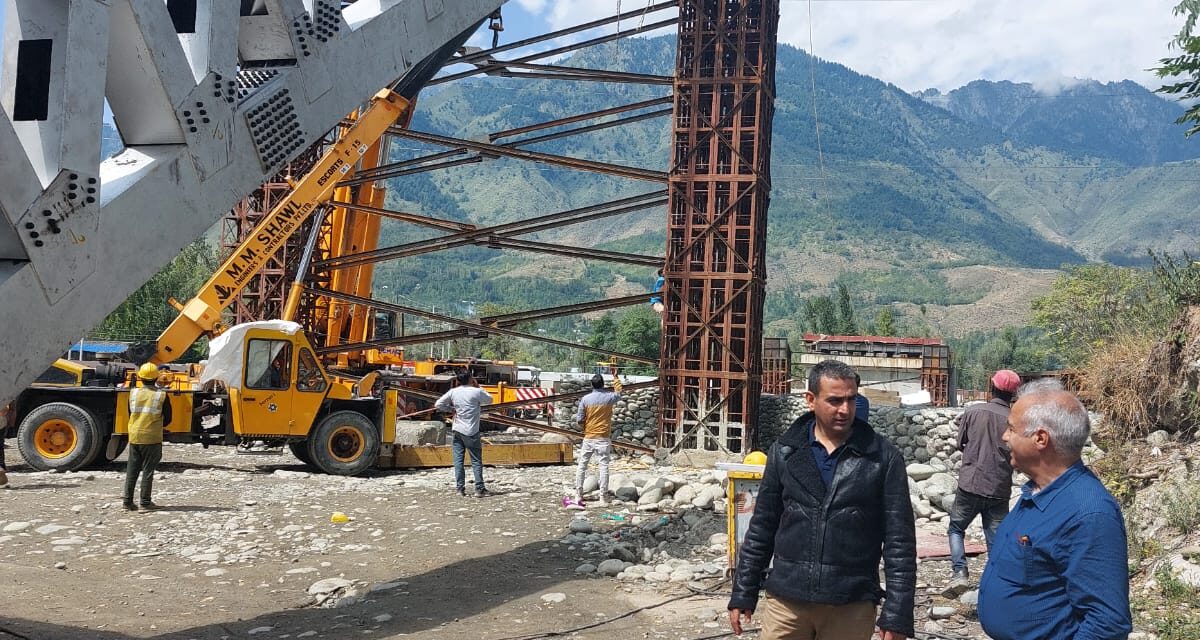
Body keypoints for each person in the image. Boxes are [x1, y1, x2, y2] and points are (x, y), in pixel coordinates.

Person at [728, 359, 915, 640]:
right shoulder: (785, 452)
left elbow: (899, 541)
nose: (845, 410)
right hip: (787, 603)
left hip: (850, 604)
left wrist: (898, 613)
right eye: (835, 400)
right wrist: (744, 591)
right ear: (810, 400)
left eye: (851, 400)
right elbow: (762, 526)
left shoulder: (882, 458)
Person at [978, 384, 1132, 639]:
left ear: (1040, 439)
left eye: (1012, 429)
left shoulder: (1088, 514)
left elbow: (1107, 624)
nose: (1005, 436)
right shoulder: (1037, 491)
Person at [947, 369, 1020, 583]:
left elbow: (961, 444)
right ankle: (996, 581)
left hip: (970, 484)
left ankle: (960, 572)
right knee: (996, 540)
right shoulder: (1015, 419)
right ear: (1014, 395)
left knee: (956, 528)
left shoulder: (973, 411)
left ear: (992, 387)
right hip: (999, 488)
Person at [435, 370, 494, 497]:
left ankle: (460, 489)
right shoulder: (476, 392)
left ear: (458, 380)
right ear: (470, 379)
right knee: (476, 460)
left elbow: (438, 404)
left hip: (457, 430)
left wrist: (451, 409)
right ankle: (479, 488)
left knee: (458, 461)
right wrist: (479, 386)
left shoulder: (453, 392)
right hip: (471, 431)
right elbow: (490, 400)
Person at [124, 362, 172, 511]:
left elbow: (130, 413)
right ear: (157, 377)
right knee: (148, 470)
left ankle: (127, 502)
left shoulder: (133, 393)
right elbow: (169, 419)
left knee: (132, 470)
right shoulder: (161, 395)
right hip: (152, 438)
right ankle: (145, 502)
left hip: (135, 436)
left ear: (140, 377)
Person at [571, 373, 622, 508]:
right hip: (603, 438)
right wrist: (616, 377)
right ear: (603, 384)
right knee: (604, 466)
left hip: (588, 437)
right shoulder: (608, 398)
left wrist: (586, 427)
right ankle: (603, 497)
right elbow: (619, 393)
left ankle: (578, 494)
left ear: (591, 385)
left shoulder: (585, 399)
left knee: (582, 465)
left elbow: (579, 419)